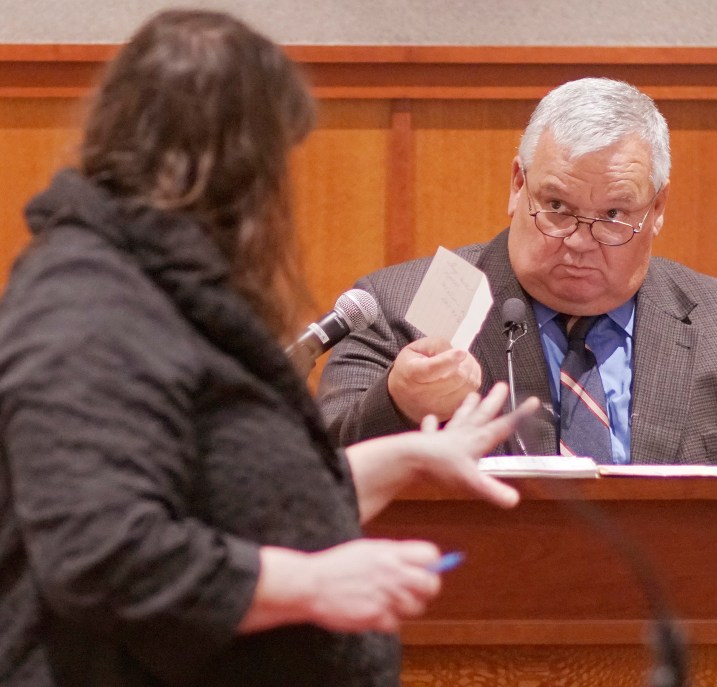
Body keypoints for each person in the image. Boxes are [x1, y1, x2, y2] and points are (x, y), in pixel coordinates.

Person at [0, 10, 540, 687]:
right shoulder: (86, 305)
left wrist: (404, 457)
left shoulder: (158, 285)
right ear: (234, 169)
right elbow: (101, 554)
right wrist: (313, 583)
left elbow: (234, 497)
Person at [318, 76, 717, 465]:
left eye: (614, 213)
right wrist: (402, 404)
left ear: (657, 208)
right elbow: (317, 477)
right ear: (518, 185)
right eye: (557, 206)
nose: (579, 241)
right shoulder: (398, 309)